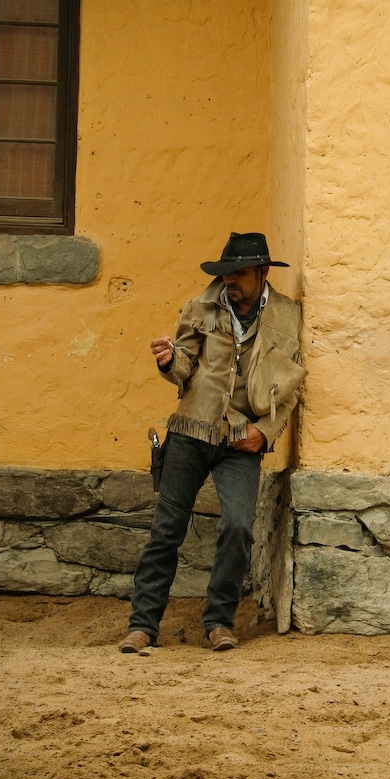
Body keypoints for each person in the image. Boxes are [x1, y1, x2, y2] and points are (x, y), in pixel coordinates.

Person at [120, 232, 306, 653]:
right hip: (191, 430)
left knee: (238, 526)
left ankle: (219, 622)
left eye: (238, 273)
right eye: (225, 274)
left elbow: (291, 385)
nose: (229, 281)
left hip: (241, 439)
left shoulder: (286, 316)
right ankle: (143, 625)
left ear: (262, 272)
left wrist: (265, 433)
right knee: (166, 530)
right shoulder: (199, 308)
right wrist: (169, 360)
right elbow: (184, 366)